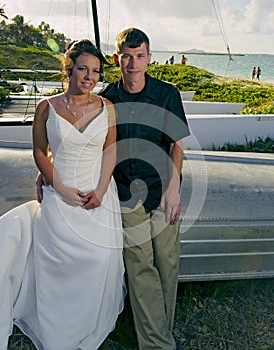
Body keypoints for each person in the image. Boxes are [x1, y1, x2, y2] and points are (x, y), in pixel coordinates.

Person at [0, 39, 125, 350]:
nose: (89, 77)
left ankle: (87, 324)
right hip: (59, 194)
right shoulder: (45, 108)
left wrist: (101, 191)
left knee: (101, 258)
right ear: (68, 69)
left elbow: (110, 152)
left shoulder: (107, 108)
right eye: (82, 69)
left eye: (95, 71)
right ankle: (56, 328)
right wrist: (57, 185)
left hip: (98, 193)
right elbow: (39, 151)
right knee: (57, 262)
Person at [99, 28, 190, 350]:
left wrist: (174, 189)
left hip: (163, 188)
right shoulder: (106, 98)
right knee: (140, 268)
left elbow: (177, 146)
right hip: (126, 193)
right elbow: (91, 145)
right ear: (117, 58)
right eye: (127, 56)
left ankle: (160, 332)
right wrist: (48, 166)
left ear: (149, 59)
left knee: (166, 264)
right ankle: (159, 345)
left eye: (139, 57)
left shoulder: (167, 94)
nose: (133, 64)